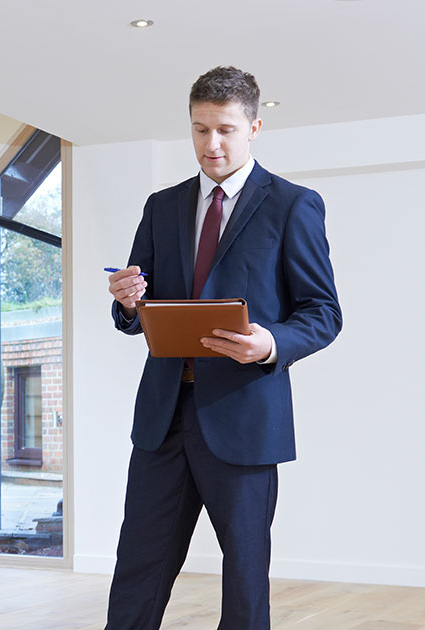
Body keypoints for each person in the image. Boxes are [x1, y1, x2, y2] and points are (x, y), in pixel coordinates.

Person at [104, 66, 342, 630]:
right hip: (163, 417)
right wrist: (128, 302)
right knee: (137, 568)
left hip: (244, 418)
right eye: (200, 129)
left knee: (244, 578)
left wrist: (269, 343)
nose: (211, 144)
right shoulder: (161, 206)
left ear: (254, 127)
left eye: (226, 130)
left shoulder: (293, 205)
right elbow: (137, 310)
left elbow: (323, 313)